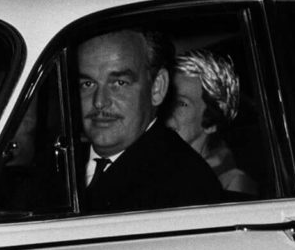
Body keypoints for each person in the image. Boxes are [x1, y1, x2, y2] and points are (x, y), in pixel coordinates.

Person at [76, 29, 224, 214]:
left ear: (156, 88)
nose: (99, 101)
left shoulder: (185, 185)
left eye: (120, 83)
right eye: (87, 84)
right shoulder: (55, 165)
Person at [166, 50, 257, 196]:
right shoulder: (153, 170)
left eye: (181, 104)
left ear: (211, 123)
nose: (165, 111)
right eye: (165, 99)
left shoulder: (230, 185)